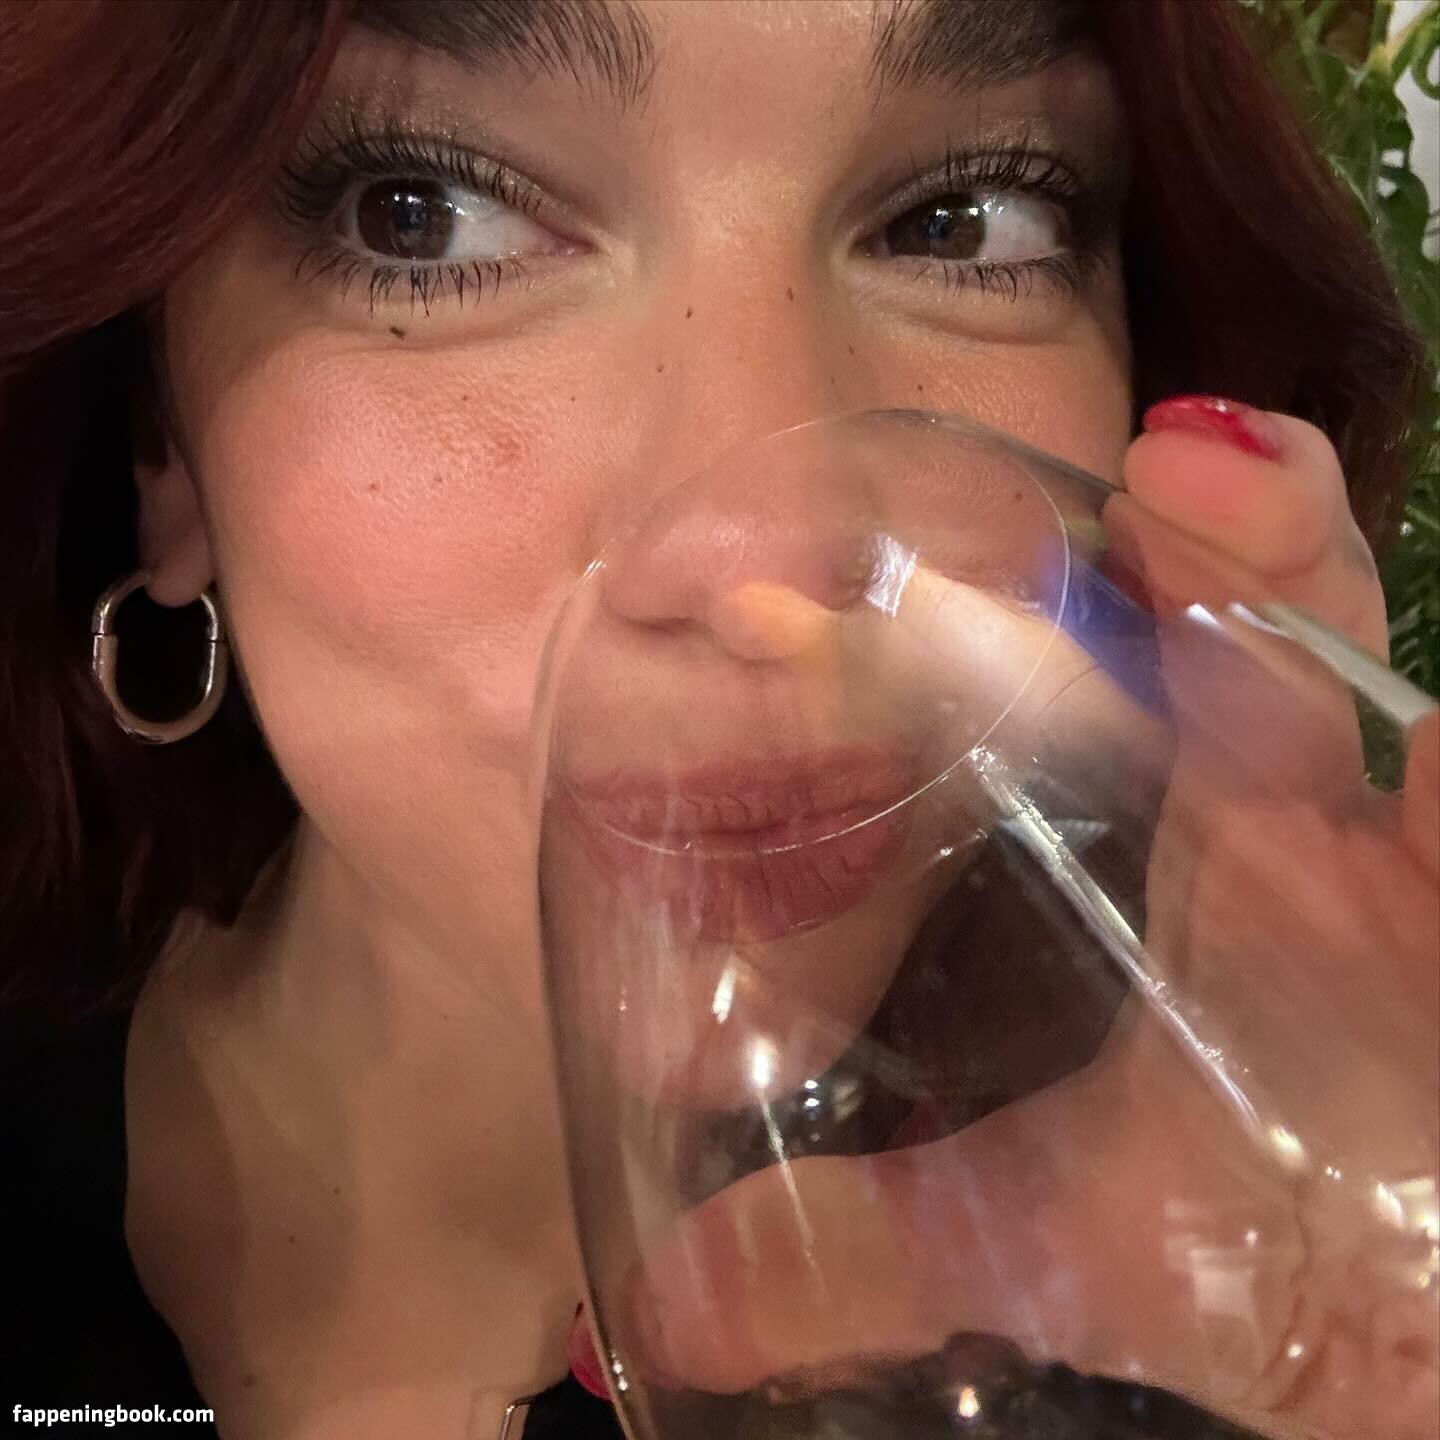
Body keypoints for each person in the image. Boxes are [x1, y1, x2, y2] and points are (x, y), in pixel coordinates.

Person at [0, 2, 1432, 1438]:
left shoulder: (1224, 1266)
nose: (778, 554)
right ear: (163, 447)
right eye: (422, 218)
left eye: (961, 223)